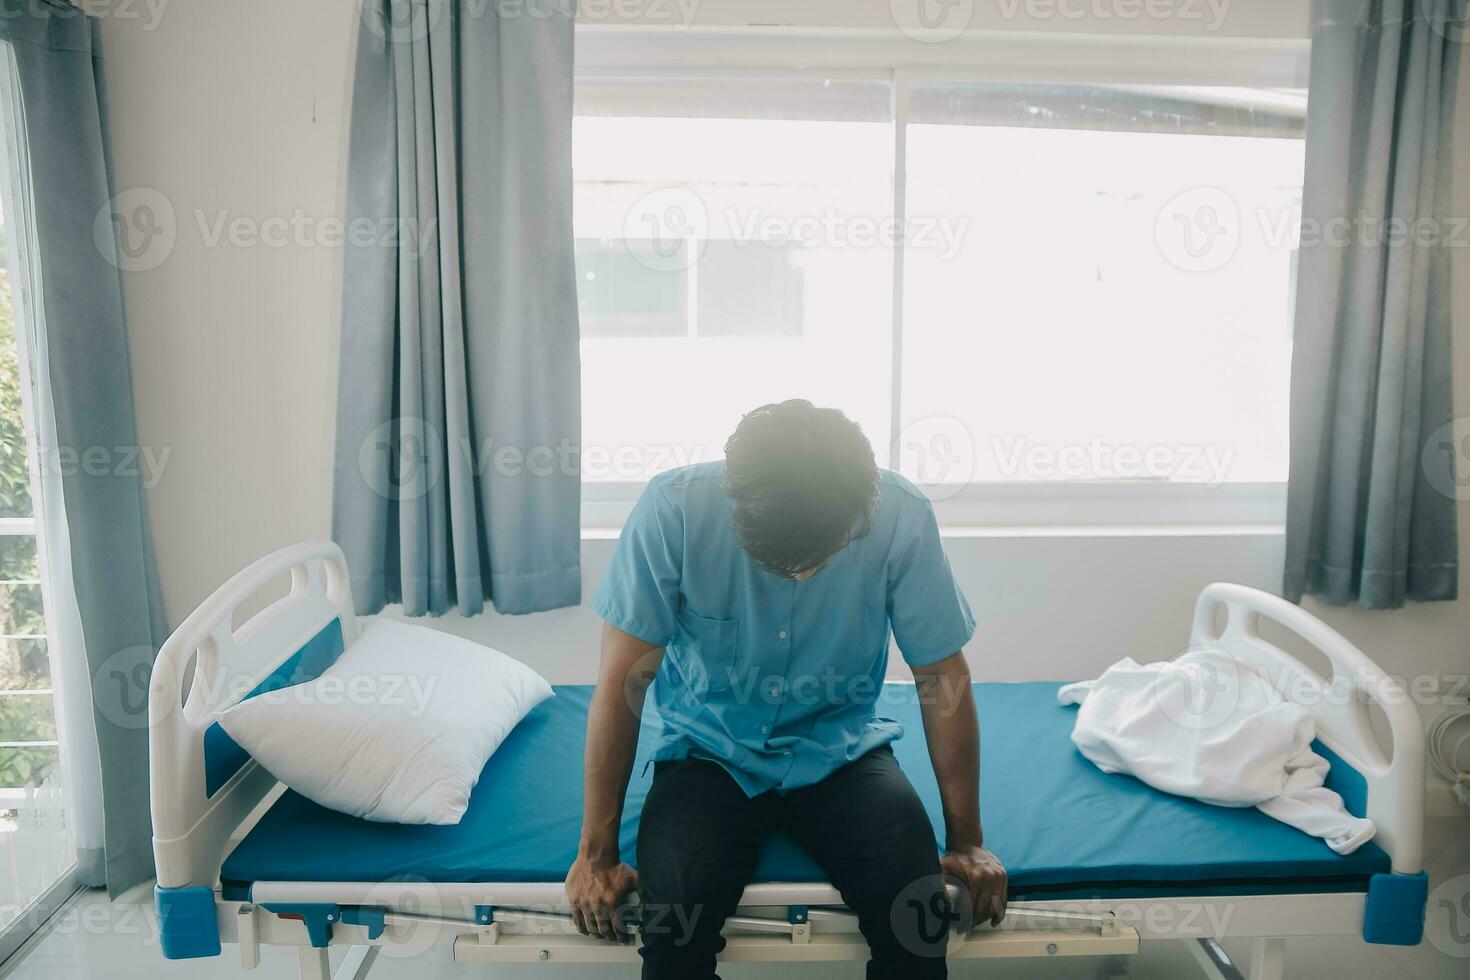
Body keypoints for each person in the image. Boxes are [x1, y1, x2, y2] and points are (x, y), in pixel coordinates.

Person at [564, 399, 1006, 980]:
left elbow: (940, 677)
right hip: (709, 755)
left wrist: (967, 841)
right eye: (778, 562)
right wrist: (596, 854)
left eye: (816, 560)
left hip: (840, 752)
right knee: (674, 932)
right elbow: (624, 684)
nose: (799, 577)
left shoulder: (900, 515)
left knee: (918, 923)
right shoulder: (673, 510)